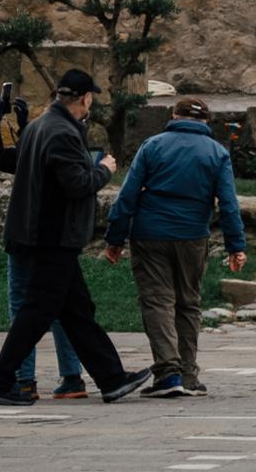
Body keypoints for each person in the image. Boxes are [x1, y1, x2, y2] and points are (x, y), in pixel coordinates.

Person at [0, 70, 139, 407]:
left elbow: (7, 161)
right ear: (85, 98)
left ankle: (111, 378)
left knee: (78, 310)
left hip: (41, 233)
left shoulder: (38, 127)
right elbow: (78, 184)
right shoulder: (63, 132)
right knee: (36, 311)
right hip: (53, 236)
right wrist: (105, 169)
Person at [104, 97, 246, 396]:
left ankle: (168, 374)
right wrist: (236, 245)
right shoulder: (217, 153)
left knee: (157, 301)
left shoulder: (152, 146)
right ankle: (189, 375)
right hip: (193, 236)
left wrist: (115, 238)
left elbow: (127, 195)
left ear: (173, 115)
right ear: (206, 122)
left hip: (150, 234)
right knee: (188, 303)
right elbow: (229, 205)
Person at [0, 86, 87, 399]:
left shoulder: (36, 147)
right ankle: (71, 376)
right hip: (57, 240)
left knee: (22, 305)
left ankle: (23, 378)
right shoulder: (67, 142)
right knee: (59, 307)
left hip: (27, 237)